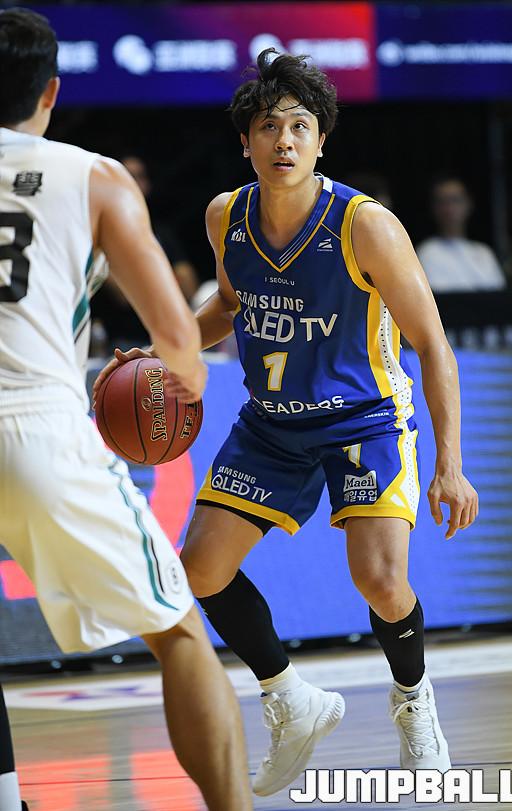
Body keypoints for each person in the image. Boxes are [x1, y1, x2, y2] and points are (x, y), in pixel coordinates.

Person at [97, 49, 478, 797]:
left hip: (364, 419)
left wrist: (450, 464)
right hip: (271, 424)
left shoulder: (367, 227)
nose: (284, 141)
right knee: (198, 570)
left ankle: (414, 702)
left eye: (300, 126)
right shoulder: (226, 216)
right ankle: (292, 700)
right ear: (246, 142)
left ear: (321, 140)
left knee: (380, 579)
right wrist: (165, 346)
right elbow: (227, 306)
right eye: (269, 126)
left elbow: (434, 345)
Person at [0, 9, 252, 811]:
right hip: (36, 425)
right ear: (51, 92)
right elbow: (177, 336)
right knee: (178, 631)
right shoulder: (95, 176)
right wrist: (183, 387)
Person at [92, 153, 200, 348]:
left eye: (139, 177)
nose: (135, 183)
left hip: (165, 338)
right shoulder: (100, 235)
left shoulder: (161, 232)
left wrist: (147, 280)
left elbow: (189, 287)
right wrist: (167, 279)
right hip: (123, 342)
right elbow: (125, 295)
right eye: (128, 176)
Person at [417, 176, 506, 292]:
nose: (449, 209)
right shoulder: (427, 252)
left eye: (455, 200)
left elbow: (499, 295)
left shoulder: (484, 252)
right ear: (434, 208)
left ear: (468, 204)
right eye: (442, 202)